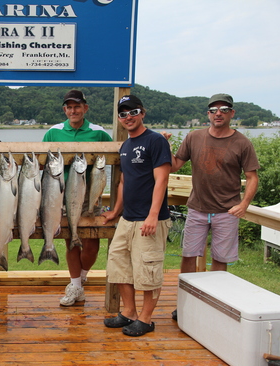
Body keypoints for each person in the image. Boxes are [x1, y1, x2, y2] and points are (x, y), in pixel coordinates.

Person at [165, 93, 260, 321]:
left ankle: (214, 306)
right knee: (188, 256)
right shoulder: (194, 137)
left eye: (224, 109)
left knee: (220, 260)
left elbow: (252, 177)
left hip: (227, 211)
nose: (218, 113)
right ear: (208, 113)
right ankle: (186, 305)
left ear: (231, 113)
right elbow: (175, 165)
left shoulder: (242, 143)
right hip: (197, 209)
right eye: (214, 109)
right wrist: (164, 144)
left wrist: (244, 204)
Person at [102, 94, 171, 337]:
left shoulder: (156, 141)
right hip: (127, 219)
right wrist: (115, 211)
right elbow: (123, 182)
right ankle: (129, 312)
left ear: (142, 113)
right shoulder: (125, 146)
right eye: (123, 114)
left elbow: (162, 179)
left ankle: (146, 319)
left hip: (149, 218)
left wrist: (153, 215)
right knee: (119, 264)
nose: (128, 117)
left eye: (133, 112)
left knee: (148, 269)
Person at [42, 89, 113, 306]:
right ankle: (75, 286)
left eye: (77, 106)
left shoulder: (98, 132)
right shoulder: (53, 132)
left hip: (89, 196)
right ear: (65, 110)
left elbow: (116, 157)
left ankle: (79, 281)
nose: (73, 110)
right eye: (69, 107)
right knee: (70, 241)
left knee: (92, 241)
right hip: (60, 195)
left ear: (85, 108)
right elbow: (42, 162)